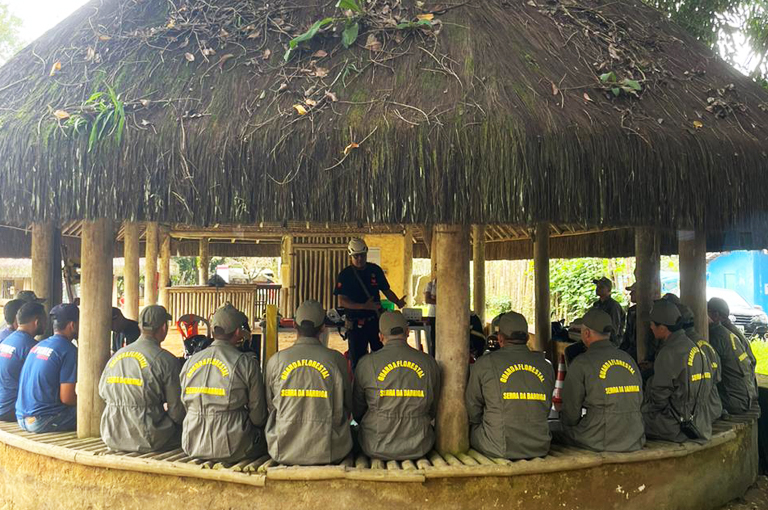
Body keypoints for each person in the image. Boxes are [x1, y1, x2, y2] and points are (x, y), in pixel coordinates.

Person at [265, 300, 352, 465]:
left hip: (283, 449)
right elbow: (349, 405)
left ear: (294, 326)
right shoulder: (336, 360)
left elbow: (270, 406)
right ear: (323, 328)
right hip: (330, 450)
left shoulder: (276, 361)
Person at [180, 303, 267, 462]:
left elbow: (183, 405)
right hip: (233, 447)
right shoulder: (246, 363)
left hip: (191, 443)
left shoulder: (190, 362)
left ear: (213, 331)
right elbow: (258, 417)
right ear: (237, 332)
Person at [465, 312, 555, 459]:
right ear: (527, 338)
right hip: (539, 445)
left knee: (468, 429)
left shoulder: (484, 363)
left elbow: (473, 408)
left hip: (497, 446)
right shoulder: (546, 366)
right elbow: (546, 407)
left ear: (500, 338)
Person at [353, 311, 440, 461]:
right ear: (407, 332)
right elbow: (433, 408)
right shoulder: (429, 362)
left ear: (380, 336)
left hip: (375, 444)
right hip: (419, 444)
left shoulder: (366, 363)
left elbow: (357, 410)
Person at [99, 305, 185, 453]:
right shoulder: (167, 360)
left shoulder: (117, 355)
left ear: (139, 326)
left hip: (111, 434)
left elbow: (102, 392)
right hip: (148, 438)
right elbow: (176, 412)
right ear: (164, 327)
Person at [560, 309, 645, 452]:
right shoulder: (628, 359)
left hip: (600, 438)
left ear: (586, 333)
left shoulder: (582, 362)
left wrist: (568, 424)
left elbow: (571, 411)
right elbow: (640, 398)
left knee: (557, 432)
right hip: (635, 436)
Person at [642, 299, 712, 442]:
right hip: (701, 422)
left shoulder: (668, 353)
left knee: (629, 421)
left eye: (652, 324)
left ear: (662, 328)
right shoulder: (696, 347)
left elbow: (658, 399)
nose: (650, 327)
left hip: (677, 427)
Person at [334, 238, 405, 370]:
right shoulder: (345, 275)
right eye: (356, 256)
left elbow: (386, 290)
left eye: (362, 255)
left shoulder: (375, 270)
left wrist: (397, 301)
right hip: (355, 324)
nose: (360, 259)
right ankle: (358, 388)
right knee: (358, 361)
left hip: (375, 322)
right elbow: (342, 300)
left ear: (366, 253)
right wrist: (363, 306)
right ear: (350, 255)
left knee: (381, 358)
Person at [16, 303, 79, 433]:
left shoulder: (38, 346)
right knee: (94, 410)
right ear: (72, 325)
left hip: (21, 418)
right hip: (42, 421)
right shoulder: (68, 350)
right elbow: (67, 398)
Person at [707, 298, 756, 415]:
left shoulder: (717, 335)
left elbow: (713, 375)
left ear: (716, 315)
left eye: (705, 312)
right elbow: (752, 361)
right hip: (748, 393)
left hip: (735, 400)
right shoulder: (734, 333)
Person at [676, 303, 723, 424]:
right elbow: (717, 378)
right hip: (714, 407)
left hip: (699, 415)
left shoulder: (682, 349)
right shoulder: (705, 344)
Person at [0, 303, 47, 421]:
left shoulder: (7, 341)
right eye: (45, 320)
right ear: (37, 322)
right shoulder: (32, 348)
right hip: (11, 410)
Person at [619, 284, 656, 364]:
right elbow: (628, 334)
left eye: (633, 291)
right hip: (631, 351)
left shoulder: (652, 310)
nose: (630, 294)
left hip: (646, 353)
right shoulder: (632, 311)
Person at [591, 277, 625, 343]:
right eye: (597, 286)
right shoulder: (597, 305)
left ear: (609, 290)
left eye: (601, 287)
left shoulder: (613, 306)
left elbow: (615, 329)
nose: (598, 289)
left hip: (611, 341)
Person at [424, 277, 436, 356]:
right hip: (433, 315)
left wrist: (434, 299)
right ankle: (433, 357)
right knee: (433, 339)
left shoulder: (449, 284)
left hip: (445, 315)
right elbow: (427, 300)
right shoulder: (430, 285)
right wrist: (443, 300)